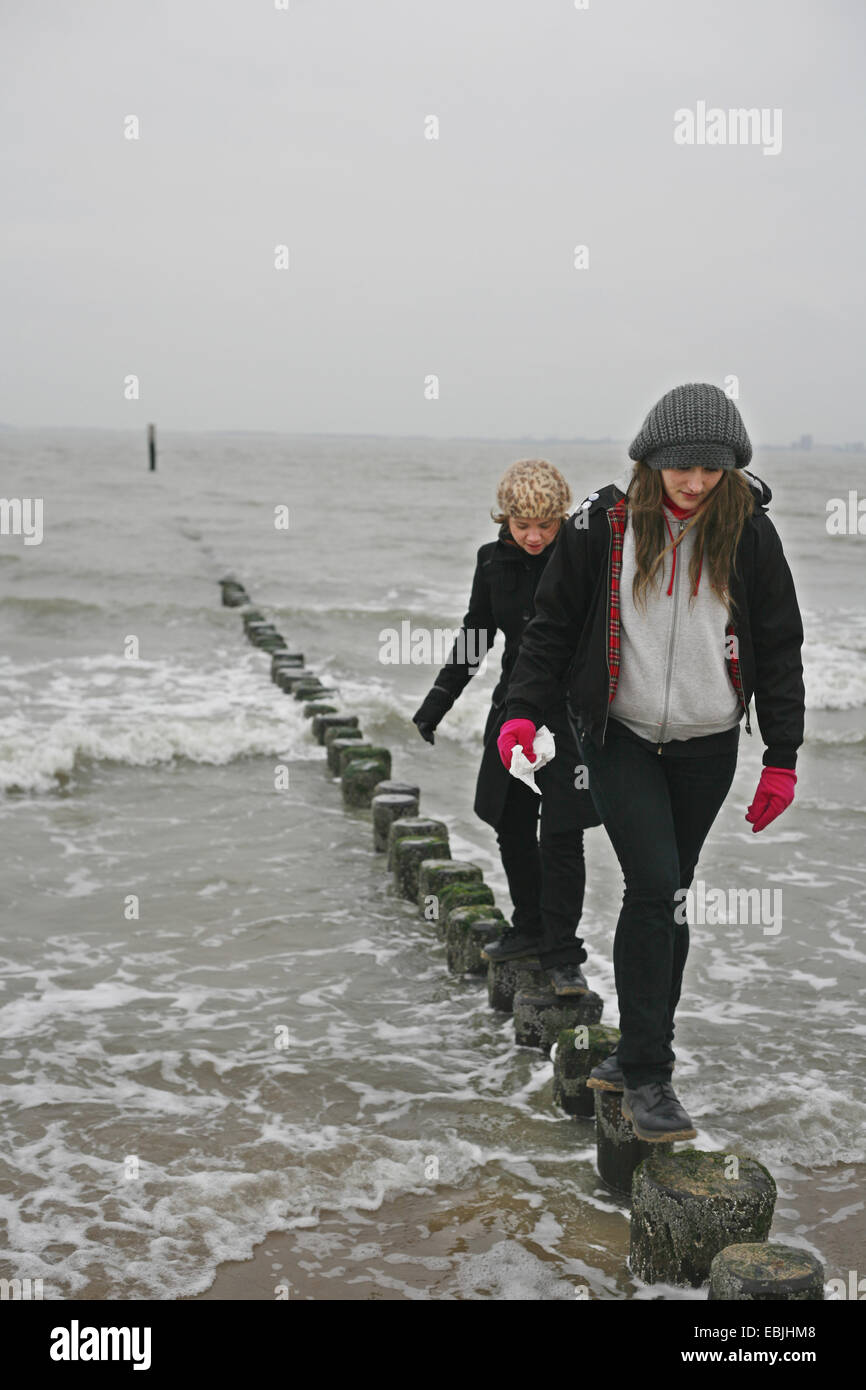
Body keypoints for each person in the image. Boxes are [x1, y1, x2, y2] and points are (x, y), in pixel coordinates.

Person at [497, 384, 805, 1141]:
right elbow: (549, 627)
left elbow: (782, 643)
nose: (694, 483)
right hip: (620, 735)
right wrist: (519, 716)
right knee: (655, 886)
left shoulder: (750, 536)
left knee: (672, 896)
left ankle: (635, 1052)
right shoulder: (600, 526)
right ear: (649, 461)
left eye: (710, 468)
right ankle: (647, 1074)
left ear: (731, 467)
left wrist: (782, 755)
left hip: (707, 743)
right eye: (679, 468)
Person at [412, 459, 601, 996]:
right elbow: (476, 636)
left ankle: (564, 955)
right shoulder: (492, 562)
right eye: (524, 527)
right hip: (513, 707)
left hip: (570, 714)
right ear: (506, 518)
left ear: (561, 517)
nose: (536, 537)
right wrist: (437, 702)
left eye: (546, 525)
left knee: (562, 832)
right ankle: (529, 928)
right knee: (510, 821)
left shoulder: (580, 557)